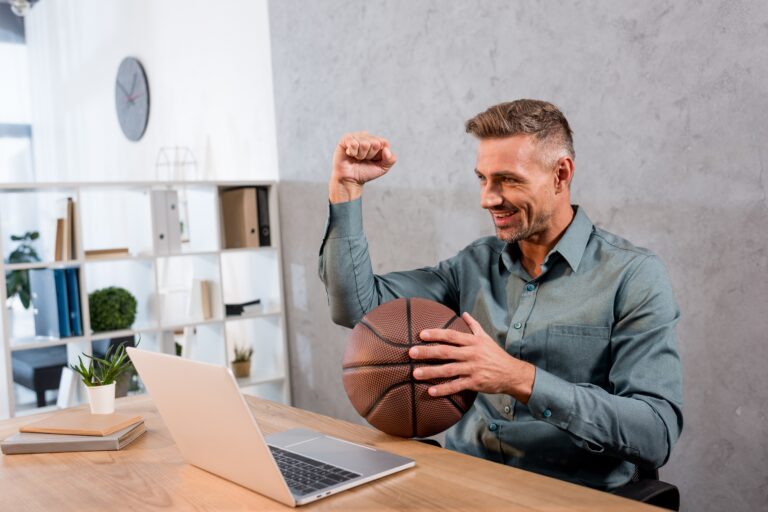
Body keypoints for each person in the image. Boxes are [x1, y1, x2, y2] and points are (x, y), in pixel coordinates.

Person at [318, 99, 683, 491]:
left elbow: (655, 433)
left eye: (508, 180)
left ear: (561, 174)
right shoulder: (473, 264)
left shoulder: (633, 276)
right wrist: (346, 188)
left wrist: (518, 377)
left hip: (569, 496)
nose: (488, 198)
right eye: (483, 179)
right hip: (464, 484)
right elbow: (355, 307)